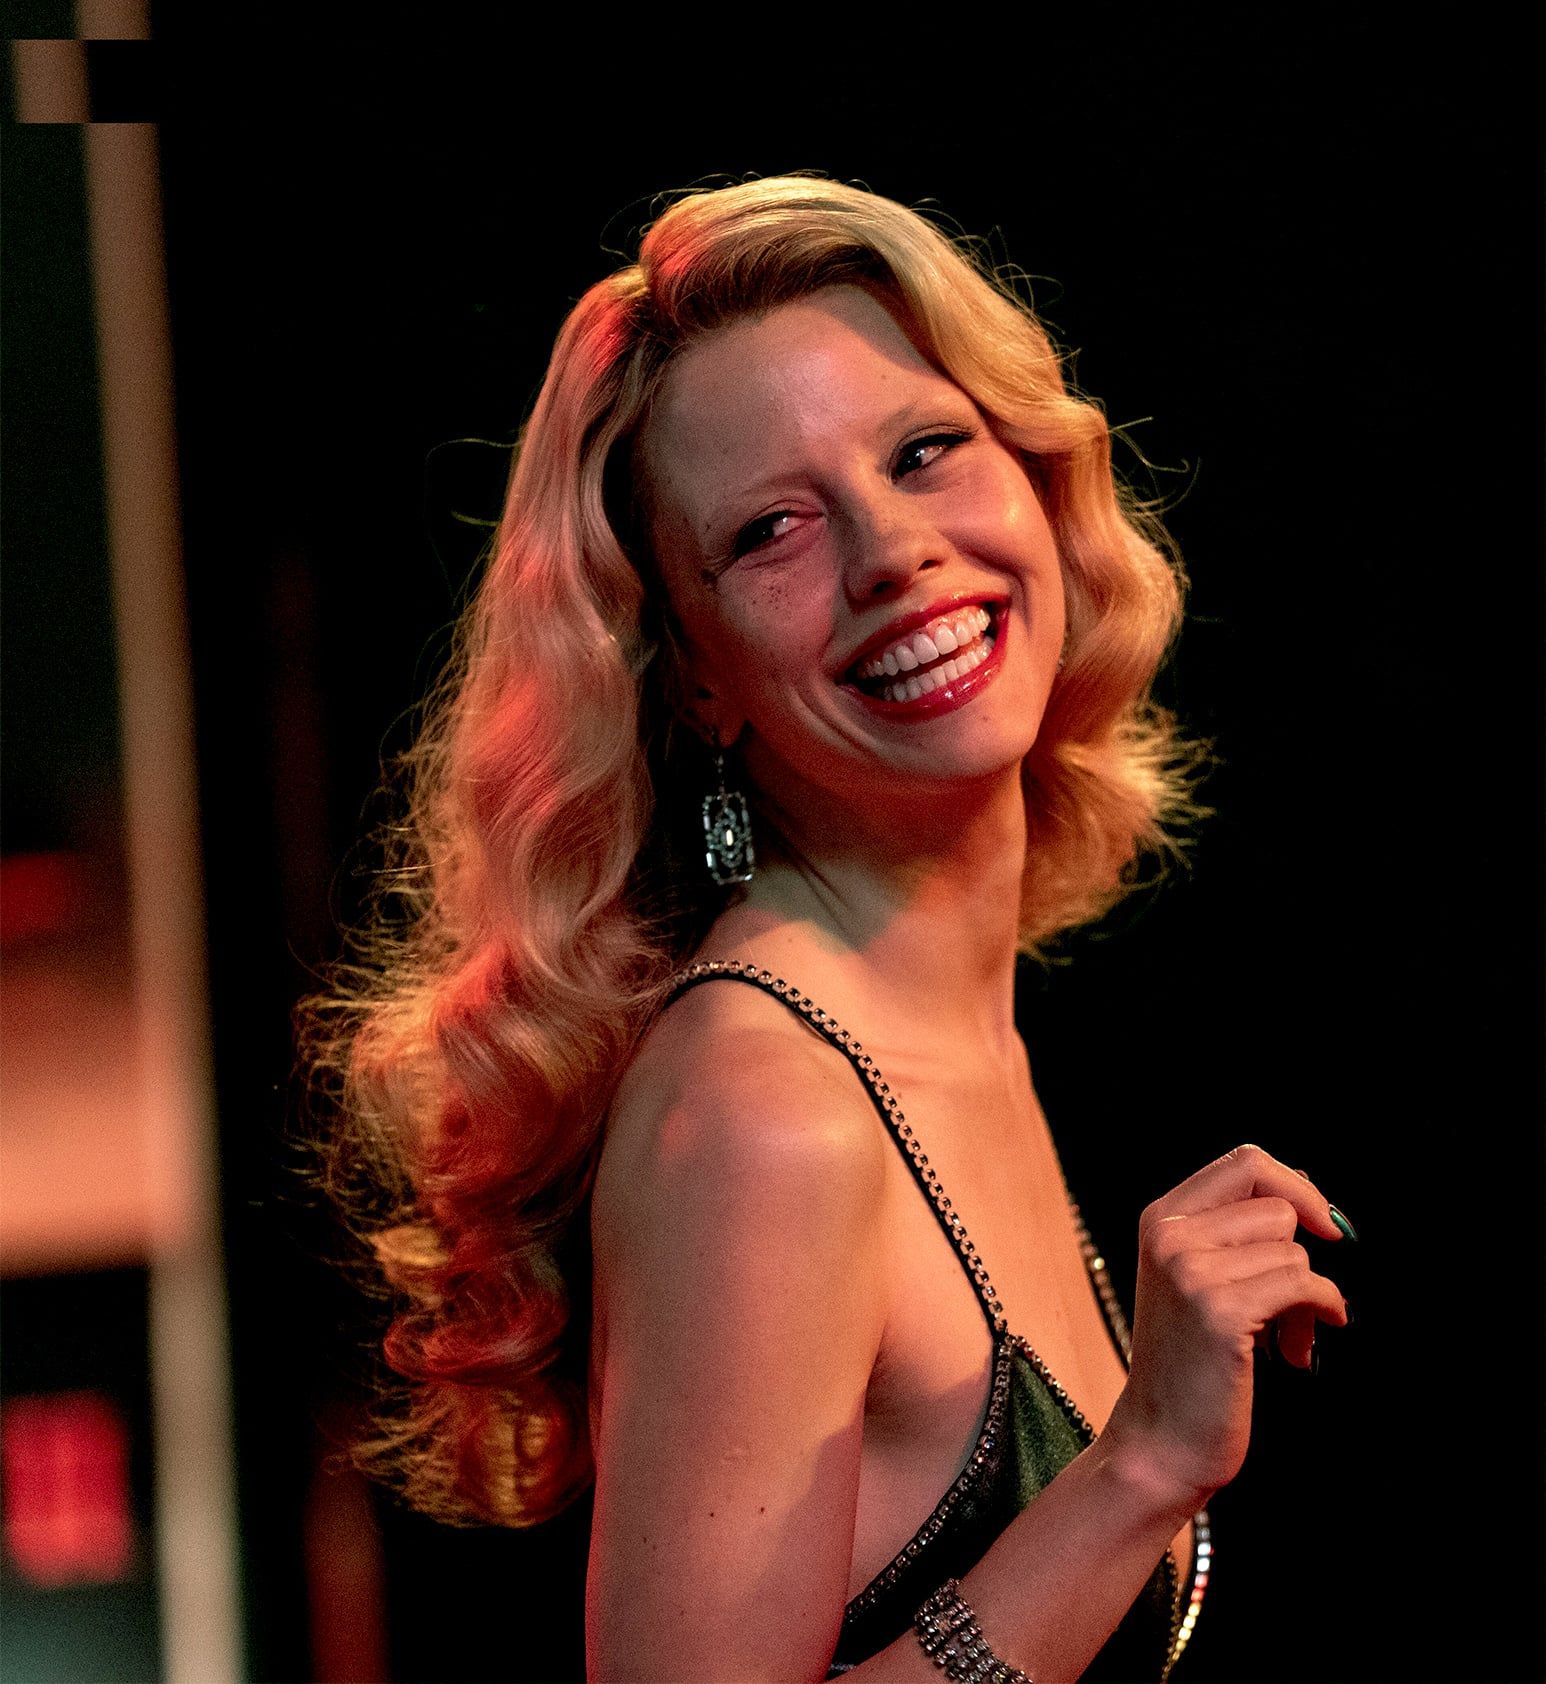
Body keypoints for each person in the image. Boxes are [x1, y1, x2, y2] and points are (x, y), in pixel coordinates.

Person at [308, 175, 1353, 1683]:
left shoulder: (936, 1028)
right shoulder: (765, 1111)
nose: (890, 552)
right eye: (770, 531)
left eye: (925, 451)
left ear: (1035, 478)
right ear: (693, 676)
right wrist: (1133, 1472)